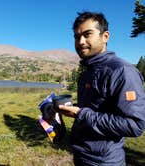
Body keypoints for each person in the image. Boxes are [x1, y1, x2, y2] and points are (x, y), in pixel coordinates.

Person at [58, 11, 145, 166]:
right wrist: (65, 109)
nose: (81, 41)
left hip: (104, 160)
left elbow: (135, 125)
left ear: (105, 37)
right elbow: (93, 109)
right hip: (81, 154)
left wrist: (81, 114)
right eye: (77, 37)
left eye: (87, 34)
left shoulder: (122, 71)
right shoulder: (87, 73)